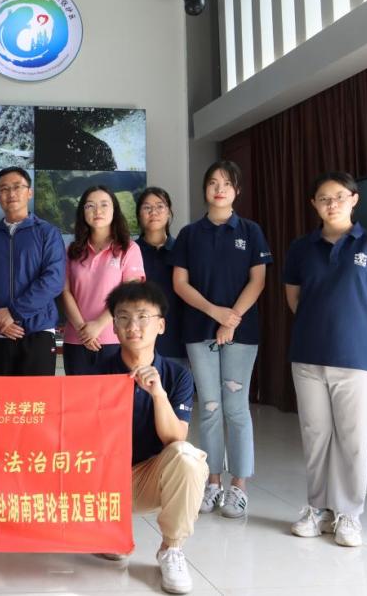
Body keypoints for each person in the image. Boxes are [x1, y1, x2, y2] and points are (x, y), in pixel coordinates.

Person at [283, 172, 367, 547]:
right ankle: (318, 508)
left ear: (354, 199)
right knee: (316, 436)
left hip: (357, 359)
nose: (331, 203)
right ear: (314, 204)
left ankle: (349, 513)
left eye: (338, 196)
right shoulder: (301, 248)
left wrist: (364, 334)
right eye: (323, 198)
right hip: (308, 357)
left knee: (354, 440)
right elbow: (294, 298)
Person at [171, 160, 271, 519]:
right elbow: (180, 283)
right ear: (205, 189)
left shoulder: (251, 231)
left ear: (236, 190)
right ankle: (212, 481)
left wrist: (232, 318)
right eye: (213, 182)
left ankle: (239, 486)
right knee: (210, 407)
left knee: (236, 408)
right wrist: (215, 313)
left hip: (241, 333)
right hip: (199, 330)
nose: (219, 189)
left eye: (227, 183)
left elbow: (258, 280)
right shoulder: (189, 234)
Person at [96, 281, 208, 595]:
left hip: (148, 478)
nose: (133, 326)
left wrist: (158, 394)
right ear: (114, 327)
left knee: (186, 457)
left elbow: (175, 438)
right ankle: (107, 525)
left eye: (143, 317)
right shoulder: (96, 372)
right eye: (123, 317)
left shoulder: (177, 375)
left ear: (161, 325)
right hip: (103, 482)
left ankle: (171, 548)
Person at [0, 167, 65, 376]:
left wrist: (13, 313)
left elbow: (54, 280)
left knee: (35, 396)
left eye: (17, 187)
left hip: (38, 331)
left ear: (29, 192)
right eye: (4, 189)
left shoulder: (48, 233)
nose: (11, 193)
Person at [60, 185, 144, 375]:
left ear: (114, 210)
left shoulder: (129, 249)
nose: (97, 211)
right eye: (90, 205)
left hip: (116, 338)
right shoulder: (71, 251)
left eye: (104, 205)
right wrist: (83, 330)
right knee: (77, 394)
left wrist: (98, 325)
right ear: (83, 212)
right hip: (76, 340)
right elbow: (65, 293)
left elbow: (129, 294)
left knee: (113, 395)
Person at [136, 187, 187, 367]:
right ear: (139, 214)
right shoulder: (130, 252)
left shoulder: (183, 249)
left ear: (169, 213)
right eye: (147, 207)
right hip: (137, 342)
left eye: (160, 206)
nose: (154, 212)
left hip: (177, 341)